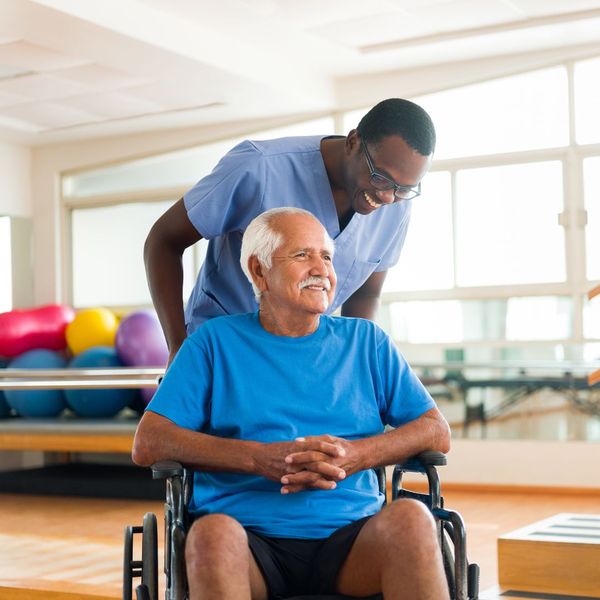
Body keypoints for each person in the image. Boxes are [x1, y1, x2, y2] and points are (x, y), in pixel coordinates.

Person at [133, 207, 451, 600]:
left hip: (352, 541)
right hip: (246, 539)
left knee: (412, 519)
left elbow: (436, 430)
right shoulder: (212, 343)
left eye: (327, 257)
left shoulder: (367, 342)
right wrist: (256, 459)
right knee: (209, 536)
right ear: (259, 271)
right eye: (302, 255)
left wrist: (358, 455)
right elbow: (149, 442)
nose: (321, 269)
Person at [144, 98, 436, 364]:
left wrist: (355, 365)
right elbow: (164, 240)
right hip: (219, 355)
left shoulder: (396, 206)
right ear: (353, 142)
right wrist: (178, 346)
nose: (387, 196)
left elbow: (365, 295)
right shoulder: (258, 168)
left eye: (405, 188)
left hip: (300, 363)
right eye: (379, 178)